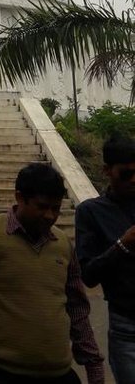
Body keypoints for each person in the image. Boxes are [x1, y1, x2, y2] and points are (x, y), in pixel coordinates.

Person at [0, 163, 105, 384]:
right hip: (5, 373)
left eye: (56, 208)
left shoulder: (62, 244)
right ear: (19, 197)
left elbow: (77, 309)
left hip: (59, 372)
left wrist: (94, 369)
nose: (50, 216)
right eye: (41, 207)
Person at [75, 134, 135, 383]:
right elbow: (88, 275)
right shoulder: (90, 212)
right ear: (107, 171)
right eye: (126, 173)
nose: (134, 180)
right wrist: (123, 244)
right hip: (127, 326)